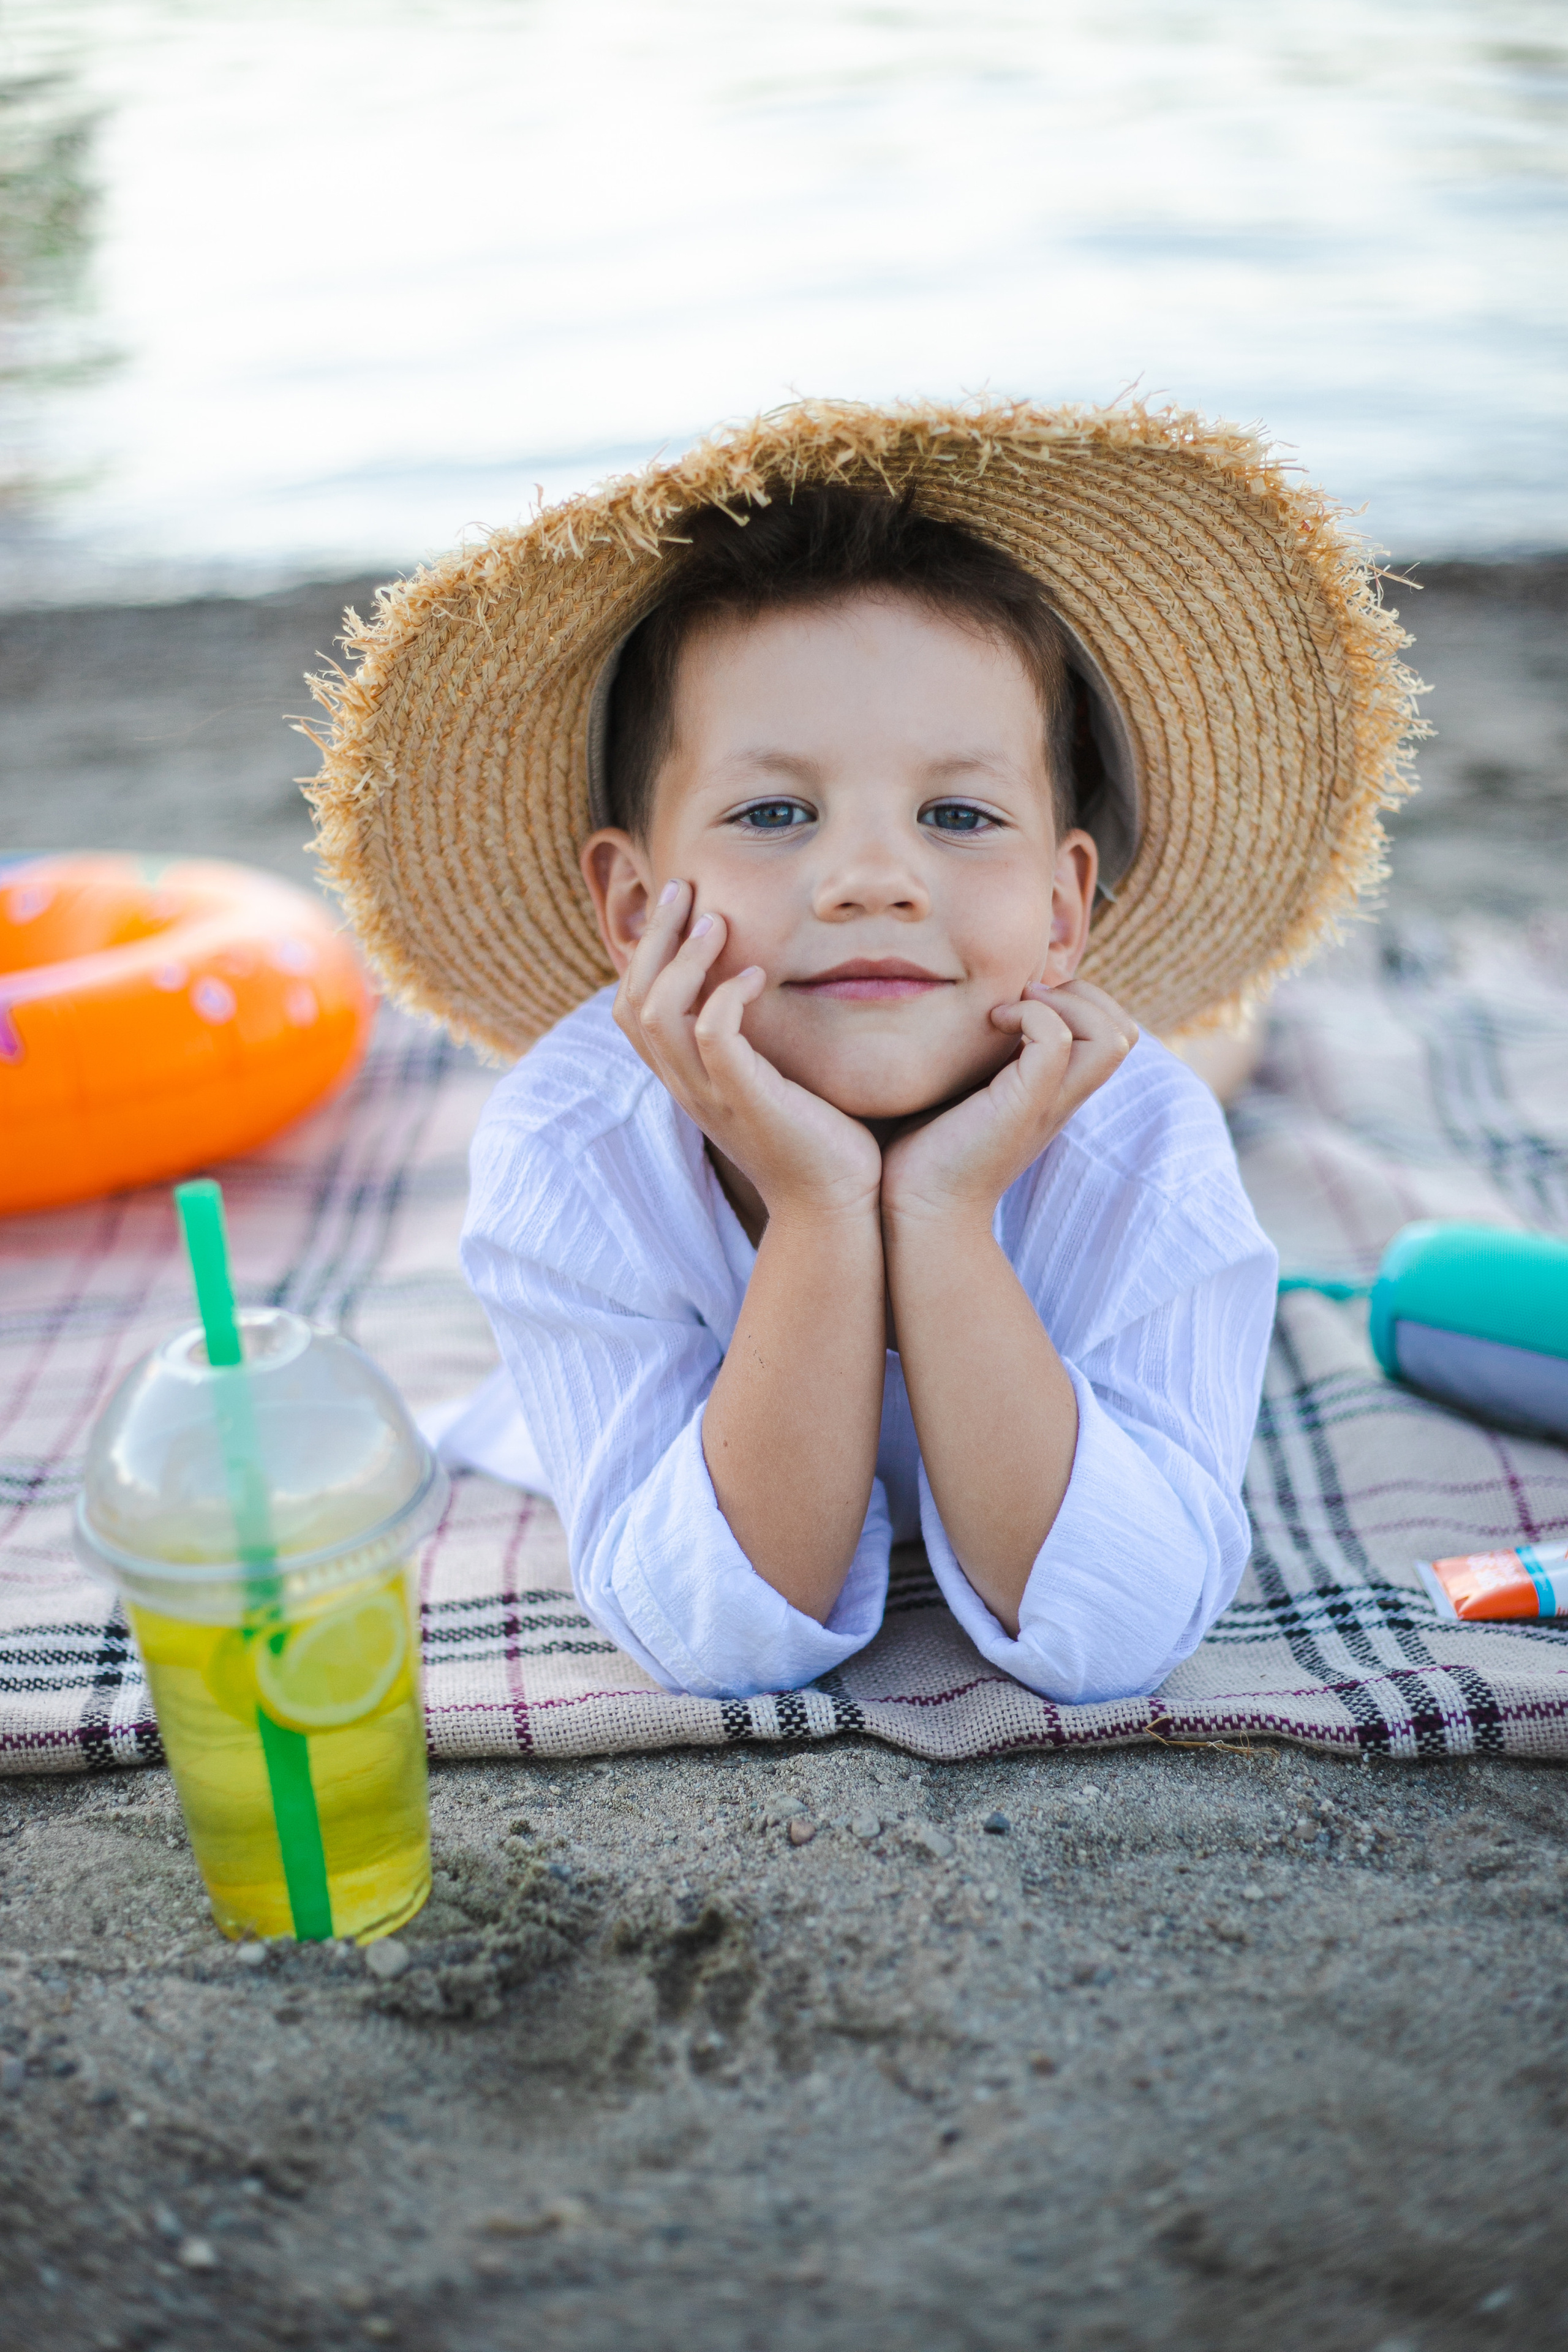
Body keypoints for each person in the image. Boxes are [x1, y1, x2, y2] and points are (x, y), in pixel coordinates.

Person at [306, 399, 1419, 1705]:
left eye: (957, 813)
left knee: (1192, 1081)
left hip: (1119, 1100)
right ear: (630, 910)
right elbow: (716, 1638)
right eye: (773, 811)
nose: (872, 880)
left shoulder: (1136, 1142)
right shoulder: (572, 1149)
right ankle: (1218, 1034)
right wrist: (823, 1206)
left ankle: (1233, 1043)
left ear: (1064, 914)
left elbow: (1118, 1632)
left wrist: (945, 1212)